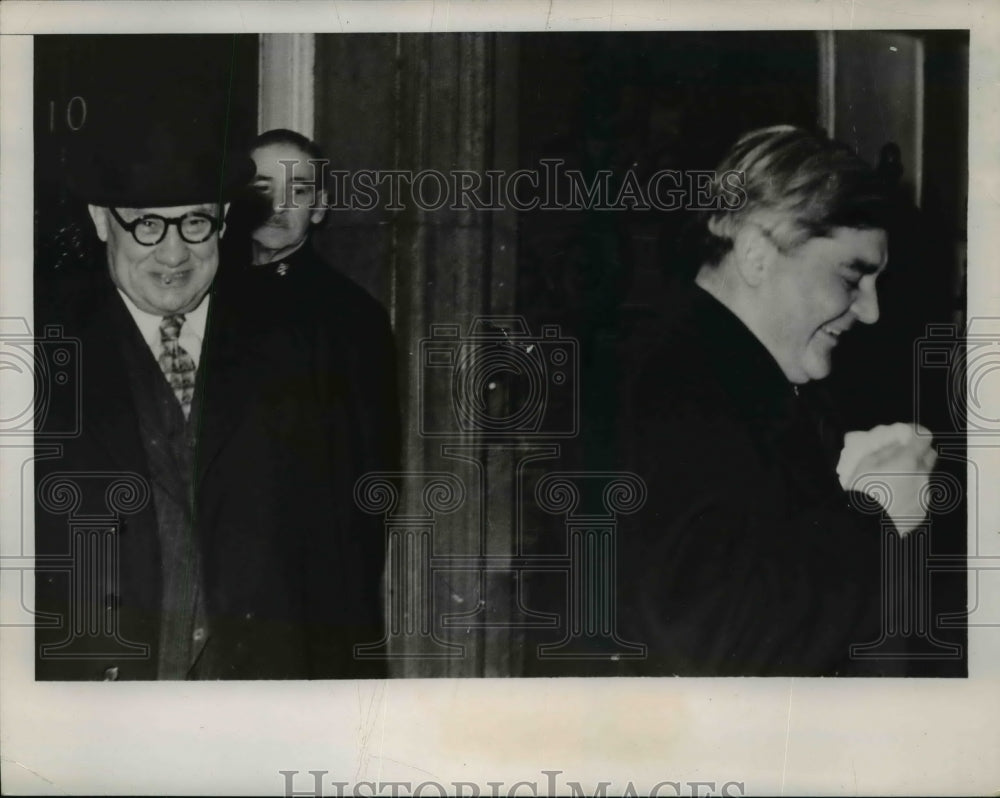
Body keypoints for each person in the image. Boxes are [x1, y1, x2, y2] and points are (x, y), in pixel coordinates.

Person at [34, 119, 389, 680]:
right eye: (149, 224)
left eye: (196, 222)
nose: (174, 254)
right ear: (103, 221)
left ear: (223, 221)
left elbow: (340, 551)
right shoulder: (38, 347)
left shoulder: (297, 346)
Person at [616, 125, 937, 676]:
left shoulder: (738, 378)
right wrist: (877, 515)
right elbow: (717, 641)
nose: (871, 311)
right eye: (851, 277)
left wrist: (852, 494)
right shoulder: (674, 390)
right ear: (757, 256)